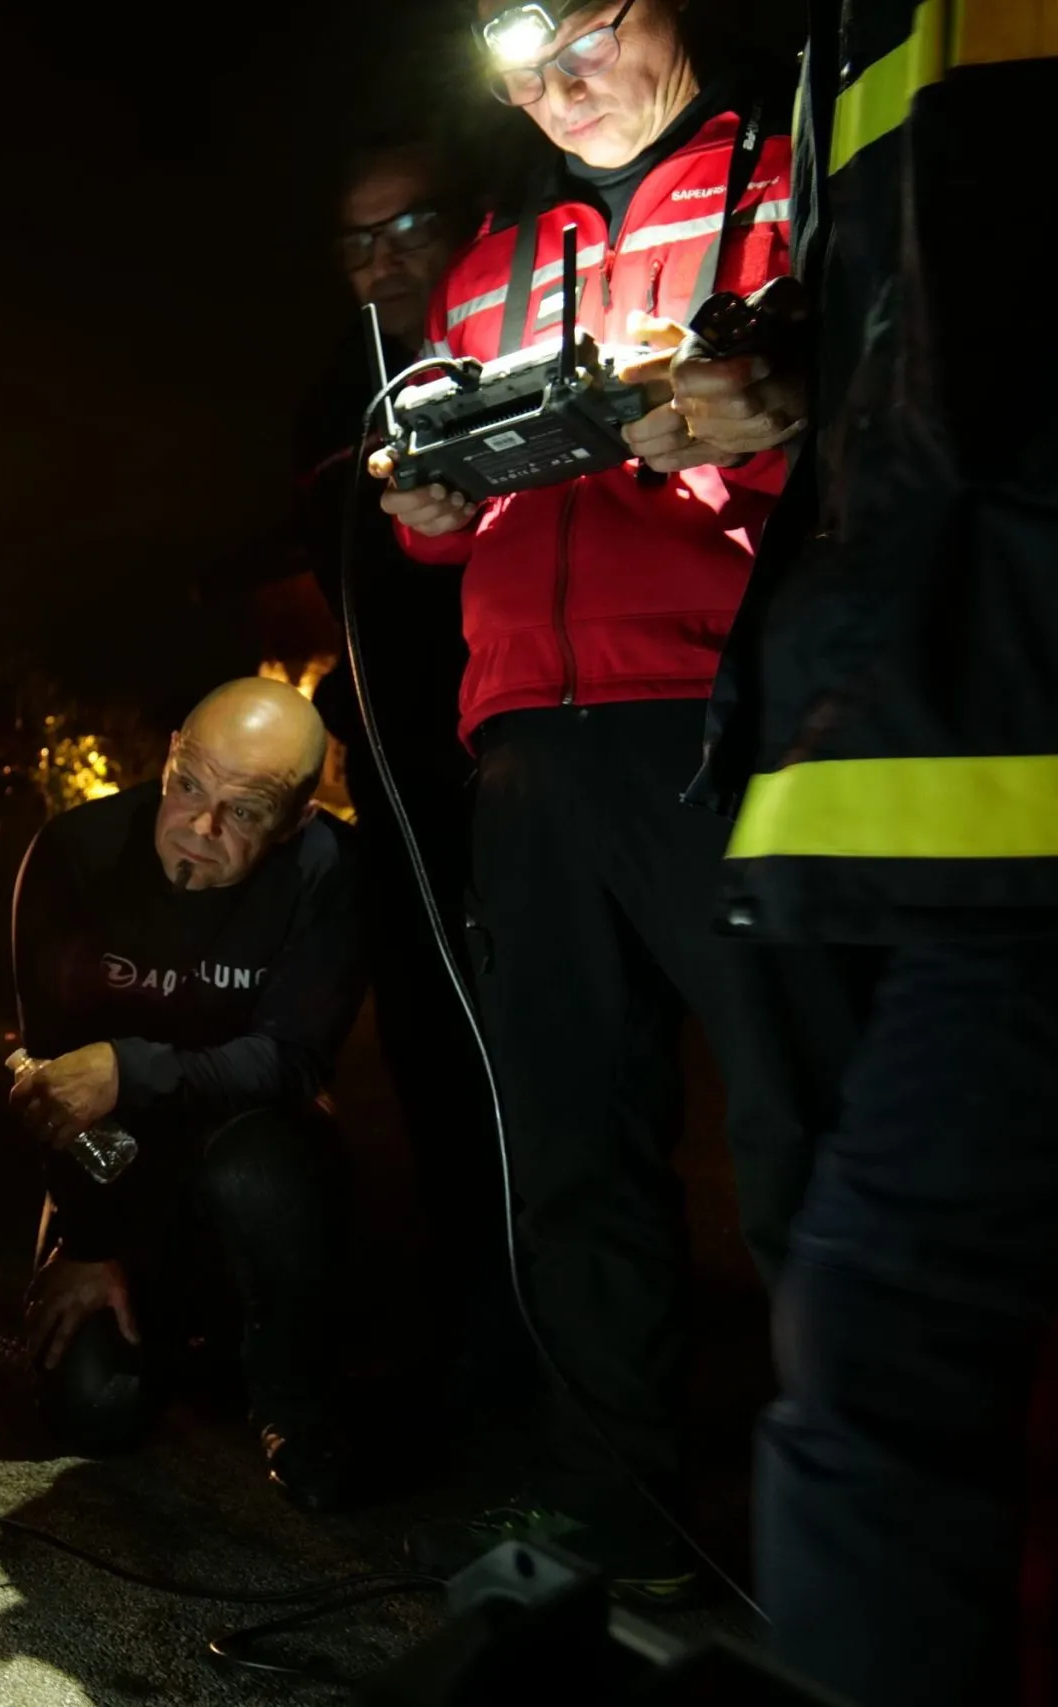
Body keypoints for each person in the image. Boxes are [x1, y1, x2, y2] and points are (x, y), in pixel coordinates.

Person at [377, 1, 862, 1603]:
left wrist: (787, 409)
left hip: (740, 715)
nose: (554, 88)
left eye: (576, 36)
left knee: (808, 1136)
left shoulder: (795, 175)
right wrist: (428, 503)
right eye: (516, 69)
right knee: (573, 1140)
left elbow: (921, 407)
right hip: (530, 737)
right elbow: (446, 524)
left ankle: (855, 1518)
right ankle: (616, 1503)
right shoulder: (486, 264)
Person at [663, 6, 1058, 1699]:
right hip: (947, 764)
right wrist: (799, 377)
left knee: (888, 1372)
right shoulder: (848, 39)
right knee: (884, 1364)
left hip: (1009, 762)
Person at [11, 679, 367, 1510]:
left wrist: (131, 1067)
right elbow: (52, 1077)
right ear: (170, 754)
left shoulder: (330, 870)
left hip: (253, 1151)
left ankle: (292, 1396)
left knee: (262, 1166)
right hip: (117, 1160)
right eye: (189, 785)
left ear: (296, 819)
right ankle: (168, 1314)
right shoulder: (78, 849)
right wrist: (87, 1238)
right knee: (93, 1408)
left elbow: (295, 1061)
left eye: (245, 812)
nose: (200, 827)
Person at [295, 134, 515, 1401]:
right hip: (397, 772)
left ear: (470, 219)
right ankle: (470, 1314)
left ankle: (571, 1326)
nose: (380, 262)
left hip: (520, 753)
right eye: (356, 242)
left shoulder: (519, 342)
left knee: (549, 1049)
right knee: (428, 1052)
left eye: (407, 229)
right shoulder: (331, 395)